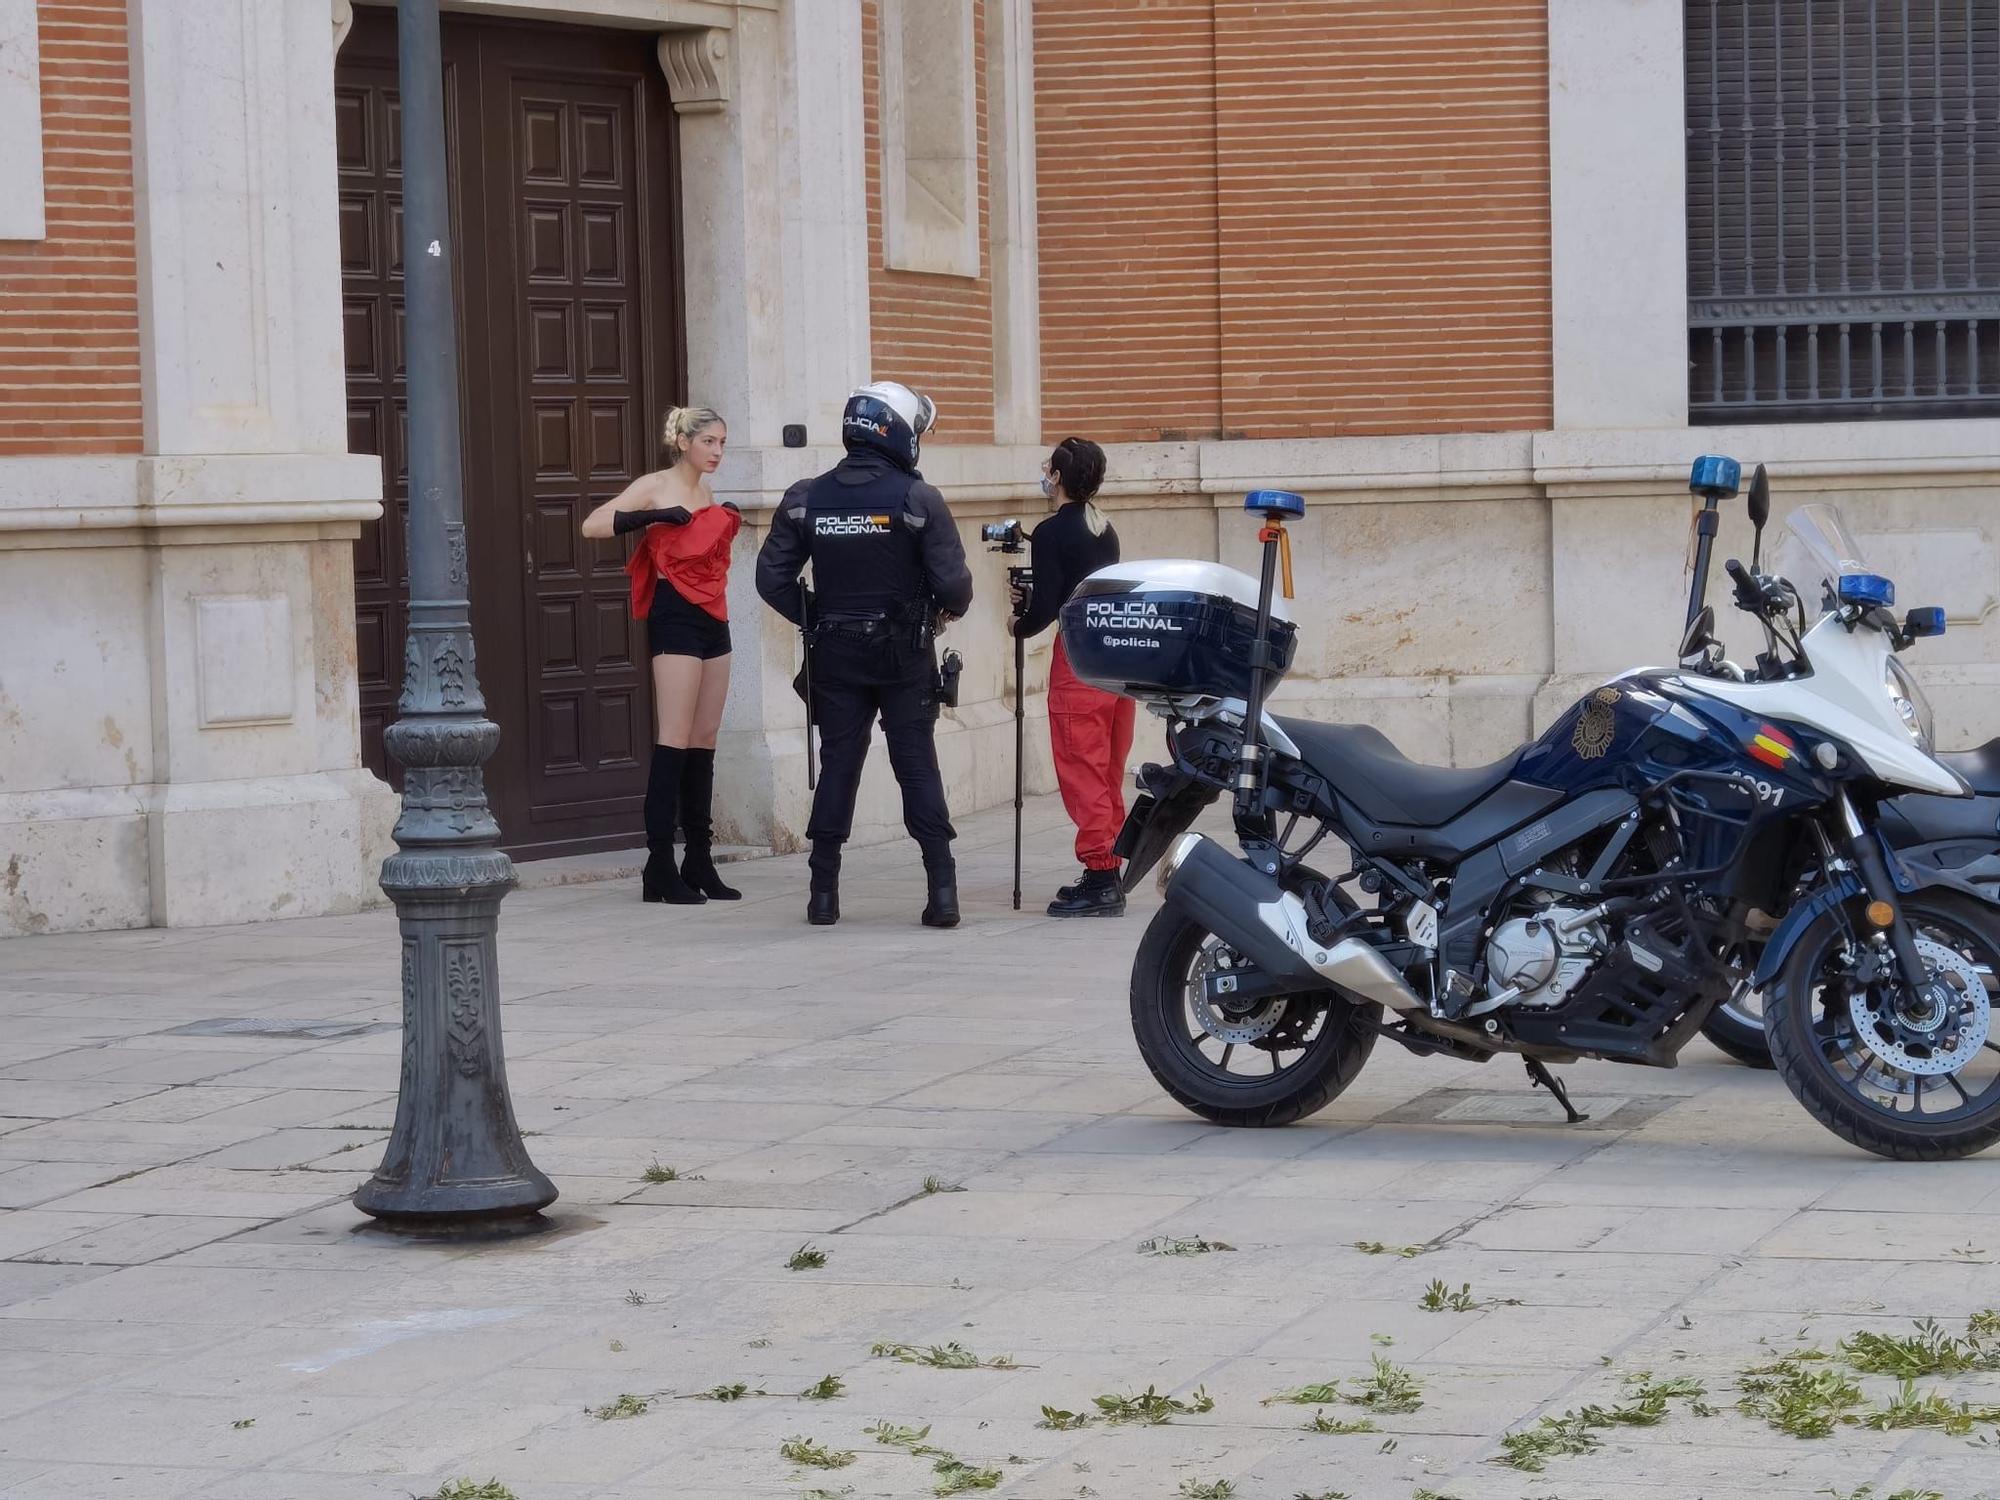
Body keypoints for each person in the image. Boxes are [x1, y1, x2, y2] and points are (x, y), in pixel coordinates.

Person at [756, 381, 973, 928]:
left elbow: (770, 578)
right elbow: (957, 590)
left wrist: (816, 614)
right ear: (899, 431)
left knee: (838, 766)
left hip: (836, 654)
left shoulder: (807, 496)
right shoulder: (918, 499)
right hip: (903, 657)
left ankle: (822, 895)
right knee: (916, 766)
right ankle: (942, 894)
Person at [581, 406, 743, 906]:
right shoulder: (655, 484)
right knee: (673, 736)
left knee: (705, 736)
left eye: (721, 443)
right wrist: (650, 516)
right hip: (673, 614)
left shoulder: (707, 491)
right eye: (709, 442)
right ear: (684, 442)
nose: (717, 452)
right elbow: (593, 525)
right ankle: (659, 865)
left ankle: (699, 858)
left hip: (714, 614)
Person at [1012, 438, 1136, 917]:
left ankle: (1102, 875)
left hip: (1079, 659)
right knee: (1107, 766)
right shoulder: (1103, 529)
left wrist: (1017, 624)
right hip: (1114, 661)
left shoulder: (1049, 532)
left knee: (1080, 764)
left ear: (1059, 477)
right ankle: (1110, 861)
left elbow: (1044, 609)